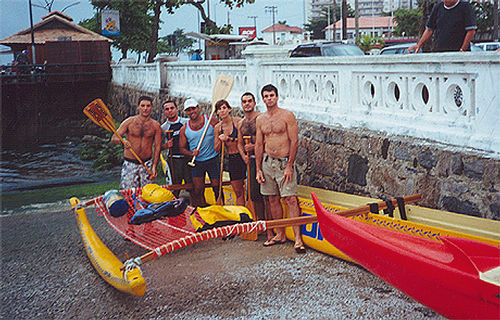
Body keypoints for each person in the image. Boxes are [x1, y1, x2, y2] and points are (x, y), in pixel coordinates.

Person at [255, 84, 305, 253]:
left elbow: (294, 141)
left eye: (271, 95)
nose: (269, 99)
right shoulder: (260, 119)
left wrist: (290, 165)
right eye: (266, 96)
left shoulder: (287, 116)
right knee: (272, 199)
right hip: (267, 163)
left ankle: (298, 238)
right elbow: (258, 144)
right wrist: (258, 169)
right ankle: (280, 234)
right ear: (263, 99)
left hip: (284, 163)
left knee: (290, 198)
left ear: (277, 97)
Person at [237, 92, 271, 239]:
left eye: (249, 101)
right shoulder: (241, 123)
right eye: (244, 101)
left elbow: (267, 139)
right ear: (242, 104)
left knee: (267, 194)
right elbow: (239, 143)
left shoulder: (261, 118)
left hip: (263, 159)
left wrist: (255, 146)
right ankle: (260, 222)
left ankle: (270, 224)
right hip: (250, 161)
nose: (247, 104)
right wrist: (243, 155)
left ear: (254, 102)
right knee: (254, 194)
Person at [112, 96, 162, 190]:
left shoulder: (156, 125)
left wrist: (154, 166)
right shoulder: (129, 122)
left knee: (148, 194)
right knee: (128, 193)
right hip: (130, 163)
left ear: (152, 107)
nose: (145, 108)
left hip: (147, 163)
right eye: (143, 106)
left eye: (148, 106)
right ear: (138, 106)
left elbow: (157, 147)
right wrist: (123, 141)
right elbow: (114, 138)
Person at [179, 98, 220, 207]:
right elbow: (181, 149)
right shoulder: (184, 129)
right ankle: (201, 210)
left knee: (217, 187)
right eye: (188, 110)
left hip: (213, 159)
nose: (191, 112)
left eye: (193, 108)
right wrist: (191, 153)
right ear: (186, 112)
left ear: (198, 108)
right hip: (197, 162)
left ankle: (221, 209)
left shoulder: (211, 120)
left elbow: (222, 129)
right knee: (198, 189)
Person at [408, 0, 477, 53]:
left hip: (459, 52)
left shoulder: (465, 6)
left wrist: (462, 50)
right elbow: (429, 29)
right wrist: (419, 45)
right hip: (441, 52)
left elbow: (471, 31)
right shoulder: (438, 7)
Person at [214, 99, 245, 206]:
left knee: (249, 189)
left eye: (224, 108)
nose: (222, 111)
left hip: (243, 157)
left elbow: (243, 140)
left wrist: (229, 138)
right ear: (217, 112)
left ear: (229, 109)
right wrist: (220, 139)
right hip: (232, 159)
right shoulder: (218, 128)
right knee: (238, 191)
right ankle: (242, 216)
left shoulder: (238, 122)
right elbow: (217, 149)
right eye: (219, 109)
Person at [161, 100, 192, 197]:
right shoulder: (163, 128)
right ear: (164, 112)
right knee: (175, 188)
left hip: (188, 158)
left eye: (172, 108)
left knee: (192, 186)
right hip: (173, 160)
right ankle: (174, 207)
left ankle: (195, 207)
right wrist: (166, 146)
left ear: (177, 109)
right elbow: (158, 147)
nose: (170, 111)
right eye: (167, 109)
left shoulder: (187, 122)